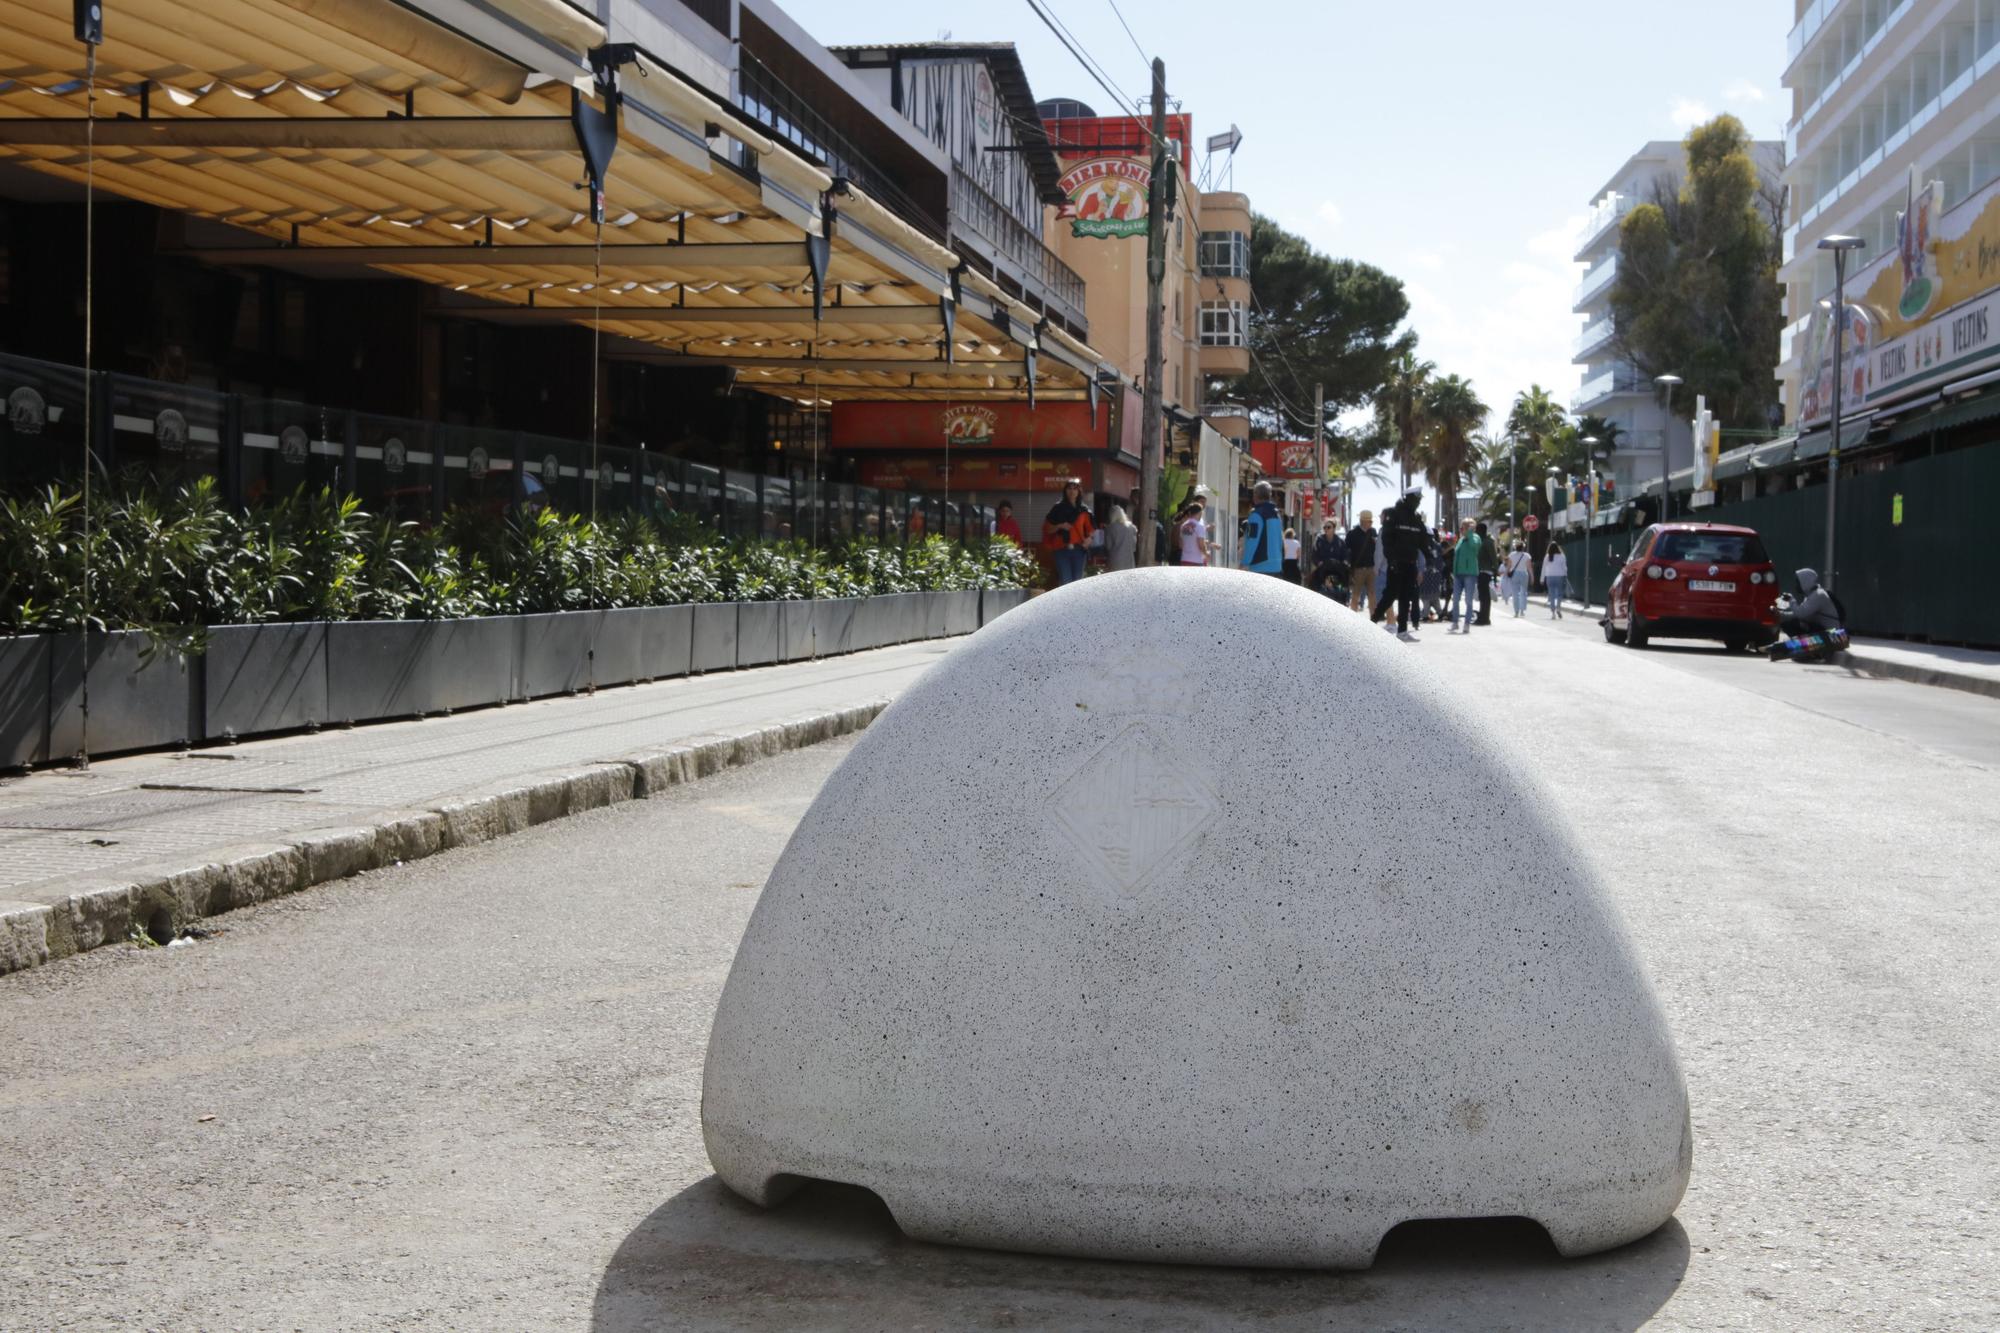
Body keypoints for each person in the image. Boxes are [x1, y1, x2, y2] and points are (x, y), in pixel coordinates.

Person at [1370, 489, 1426, 640]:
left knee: (1405, 598)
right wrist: (1391, 560)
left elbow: (1422, 541)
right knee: (1389, 595)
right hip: (1396, 564)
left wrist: (1428, 558)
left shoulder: (1415, 518)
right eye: (1416, 499)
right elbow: (1386, 541)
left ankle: (1402, 631)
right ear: (1409, 499)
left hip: (1410, 564)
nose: (1419, 502)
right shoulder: (1394, 515)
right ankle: (1372, 622)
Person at [1043, 480, 1094, 586]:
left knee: (1077, 583)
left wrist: (1089, 540)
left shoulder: (1084, 510)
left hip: (1079, 551)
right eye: (1069, 488)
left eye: (1075, 488)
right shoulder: (1057, 508)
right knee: (1065, 582)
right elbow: (1047, 529)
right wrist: (1059, 526)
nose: (1072, 491)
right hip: (1061, 549)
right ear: (1065, 491)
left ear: (1079, 491)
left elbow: (1091, 530)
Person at [1241, 480, 1285, 576]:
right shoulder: (1276, 514)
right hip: (1277, 566)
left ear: (1255, 495)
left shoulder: (1256, 515)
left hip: (1261, 566)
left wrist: (1244, 562)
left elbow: (1252, 540)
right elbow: (1281, 539)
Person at [1780, 568, 1841, 635]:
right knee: (1788, 624)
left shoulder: (1818, 595)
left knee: (1795, 624)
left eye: (1798, 582)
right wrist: (1781, 614)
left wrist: (1791, 599)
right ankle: (1801, 643)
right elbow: (1799, 613)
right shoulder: (1811, 595)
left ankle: (1801, 644)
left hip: (1832, 633)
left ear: (1805, 582)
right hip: (1824, 629)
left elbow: (1801, 614)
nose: (1796, 585)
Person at [1448, 517, 1482, 634]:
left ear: (1469, 528)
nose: (1461, 529)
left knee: (1468, 600)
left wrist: (1471, 533)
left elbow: (1474, 547)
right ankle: (1455, 622)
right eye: (1461, 527)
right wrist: (1454, 571)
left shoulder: (1476, 538)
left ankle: (1467, 624)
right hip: (1458, 574)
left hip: (1470, 574)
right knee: (1455, 599)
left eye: (1463, 527)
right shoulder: (1461, 540)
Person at [1345, 510, 1379, 614]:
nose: (1371, 523)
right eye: (1369, 521)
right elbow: (1347, 550)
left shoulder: (1373, 532)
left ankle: (1374, 618)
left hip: (1371, 569)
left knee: (1372, 594)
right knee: (1356, 594)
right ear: (1362, 521)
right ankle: (1353, 617)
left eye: (1371, 521)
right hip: (1358, 569)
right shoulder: (1352, 534)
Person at [1311, 519, 1349, 599]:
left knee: (1342, 588)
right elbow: (1314, 554)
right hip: (1323, 570)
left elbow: (1345, 555)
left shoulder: (1340, 542)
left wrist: (1345, 562)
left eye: (1329, 527)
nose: (1326, 529)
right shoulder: (1319, 540)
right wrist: (1318, 562)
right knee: (1315, 586)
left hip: (1337, 571)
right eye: (1325, 527)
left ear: (1334, 529)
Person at [1474, 520, 1499, 626]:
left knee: (1484, 595)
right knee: (1483, 595)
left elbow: (1493, 557)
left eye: (1477, 530)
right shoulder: (1480, 541)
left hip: (1485, 571)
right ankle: (1483, 616)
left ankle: (1484, 618)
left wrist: (1496, 570)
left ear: (1481, 531)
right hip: (1480, 571)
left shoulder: (1487, 542)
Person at [1177, 499, 1213, 567]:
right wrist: (1206, 554)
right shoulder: (1199, 526)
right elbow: (1201, 545)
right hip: (1196, 561)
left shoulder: (1183, 525)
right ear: (1200, 513)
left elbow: (1180, 545)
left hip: (1184, 559)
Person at [1502, 541, 1532, 618]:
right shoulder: (1527, 555)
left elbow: (1509, 566)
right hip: (1524, 574)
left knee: (1515, 593)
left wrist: (1505, 573)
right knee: (1523, 592)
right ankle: (1522, 610)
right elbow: (1529, 567)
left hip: (1515, 574)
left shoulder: (1511, 555)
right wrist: (1532, 576)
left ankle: (1516, 611)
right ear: (1523, 548)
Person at [1104, 504, 1137, 571]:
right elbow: (1134, 547)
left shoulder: (1110, 528)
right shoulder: (1132, 527)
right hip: (1129, 560)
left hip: (1115, 561)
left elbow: (1108, 546)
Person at [1543, 542, 1569, 618]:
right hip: (1560, 576)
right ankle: (1558, 608)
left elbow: (1544, 567)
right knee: (1559, 594)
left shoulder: (1547, 556)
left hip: (1549, 577)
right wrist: (1565, 575)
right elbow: (1564, 567)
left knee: (1551, 595)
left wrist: (1542, 578)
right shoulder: (1562, 556)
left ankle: (1553, 613)